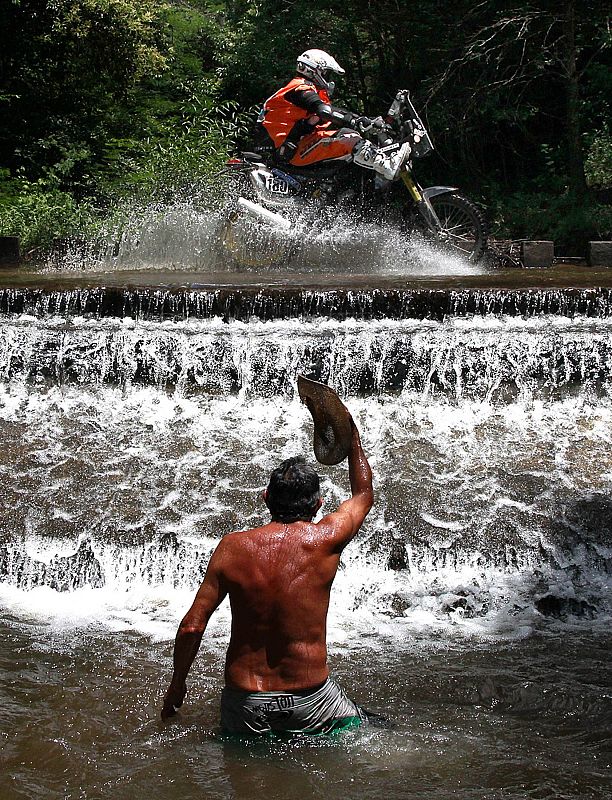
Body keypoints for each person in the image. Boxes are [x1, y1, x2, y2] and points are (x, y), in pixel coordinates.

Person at [161, 417, 374, 735]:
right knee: (370, 727)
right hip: (312, 701)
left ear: (265, 497)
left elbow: (192, 626)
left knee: (244, 771)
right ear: (318, 505)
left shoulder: (232, 548)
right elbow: (363, 494)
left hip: (247, 705)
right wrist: (352, 437)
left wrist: (177, 687)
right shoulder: (326, 539)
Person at [259, 48, 410, 181]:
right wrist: (355, 121)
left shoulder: (301, 97)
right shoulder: (300, 87)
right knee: (349, 138)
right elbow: (324, 111)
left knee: (347, 145)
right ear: (314, 71)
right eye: (327, 73)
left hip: (291, 148)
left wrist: (364, 120)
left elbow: (329, 116)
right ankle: (386, 166)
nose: (329, 79)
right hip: (289, 151)